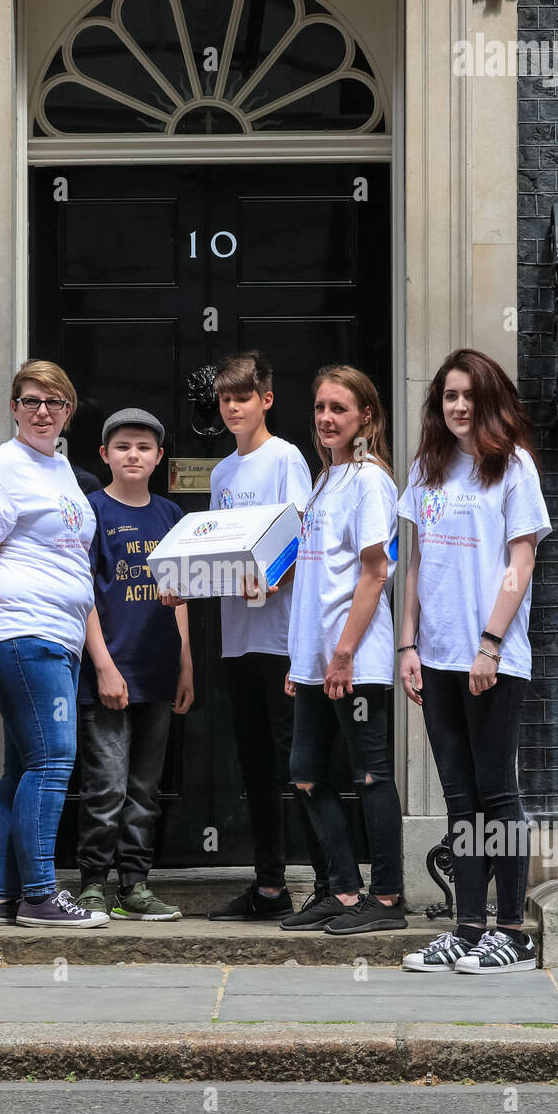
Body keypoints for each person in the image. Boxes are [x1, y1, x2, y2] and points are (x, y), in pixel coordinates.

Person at [397, 348, 551, 973]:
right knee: (461, 798)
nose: (457, 407)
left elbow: (521, 564)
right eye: (448, 396)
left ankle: (512, 931)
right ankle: (466, 930)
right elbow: (414, 567)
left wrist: (490, 642)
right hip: (434, 656)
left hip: (490, 655)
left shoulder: (513, 467)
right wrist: (407, 645)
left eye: (468, 396)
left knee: (498, 794)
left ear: (489, 401)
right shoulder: (427, 469)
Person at [0, 360, 108, 928]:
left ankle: (2, 898)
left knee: (22, 767)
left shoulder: (61, 468)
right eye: (29, 401)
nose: (41, 411)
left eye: (53, 401)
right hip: (25, 633)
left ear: (69, 409)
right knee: (53, 761)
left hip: (60, 634)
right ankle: (41, 896)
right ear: (13, 408)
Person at [204, 351, 330, 921]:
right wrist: (186, 580)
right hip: (237, 637)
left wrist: (270, 577)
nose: (234, 407)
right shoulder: (221, 474)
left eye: (244, 398)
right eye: (226, 399)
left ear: (266, 400)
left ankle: (332, 884)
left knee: (296, 764)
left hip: (282, 638)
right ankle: (270, 886)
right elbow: (214, 550)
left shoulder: (287, 460)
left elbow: (304, 544)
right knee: (254, 765)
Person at [284, 366, 407, 934]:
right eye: (320, 408)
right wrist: (300, 659)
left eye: (339, 408)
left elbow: (374, 573)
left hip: (354, 657)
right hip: (315, 659)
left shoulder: (369, 480)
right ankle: (343, 890)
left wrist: (343, 653)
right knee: (306, 773)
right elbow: (314, 578)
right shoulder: (325, 479)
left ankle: (386, 899)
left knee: (371, 775)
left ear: (366, 418)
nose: (327, 418)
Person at [76, 409, 194, 919]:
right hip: (108, 671)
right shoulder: (90, 511)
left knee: (144, 789)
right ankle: (93, 886)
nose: (133, 455)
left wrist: (185, 662)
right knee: (106, 787)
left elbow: (180, 594)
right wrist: (102, 665)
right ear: (105, 454)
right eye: (123, 446)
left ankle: (135, 885)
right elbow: (81, 596)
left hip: (158, 670)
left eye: (144, 448)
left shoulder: (171, 516)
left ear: (159, 458)